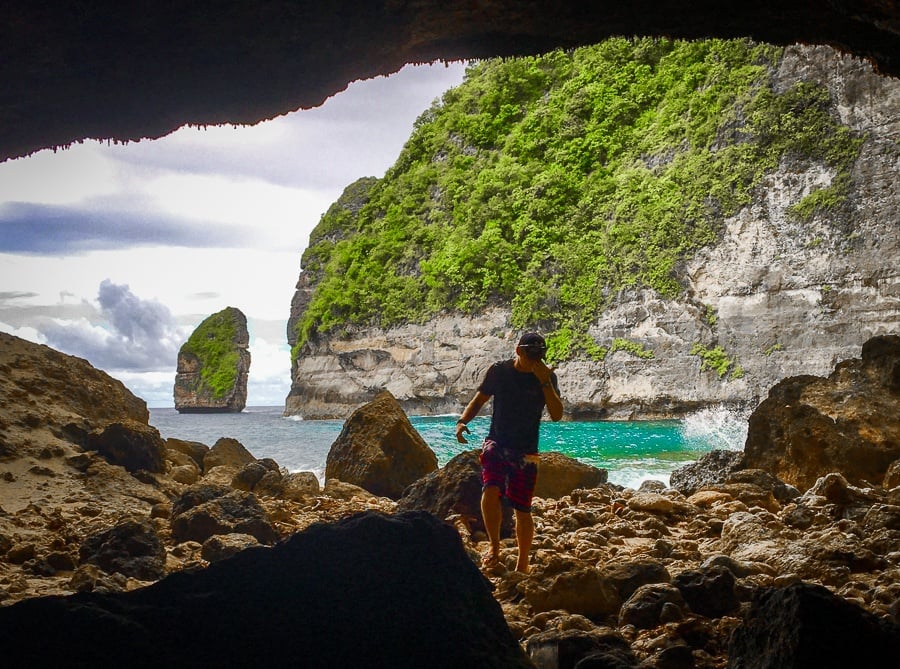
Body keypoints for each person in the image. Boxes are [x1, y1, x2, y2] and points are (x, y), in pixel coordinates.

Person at [455, 331, 564, 573]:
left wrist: (545, 381)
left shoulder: (546, 377)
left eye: (539, 355)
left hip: (526, 450)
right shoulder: (500, 371)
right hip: (498, 441)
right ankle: (494, 546)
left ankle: (522, 563)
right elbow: (479, 399)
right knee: (491, 488)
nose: (533, 360)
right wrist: (462, 421)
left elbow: (557, 415)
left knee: (522, 507)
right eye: (530, 355)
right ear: (518, 351)